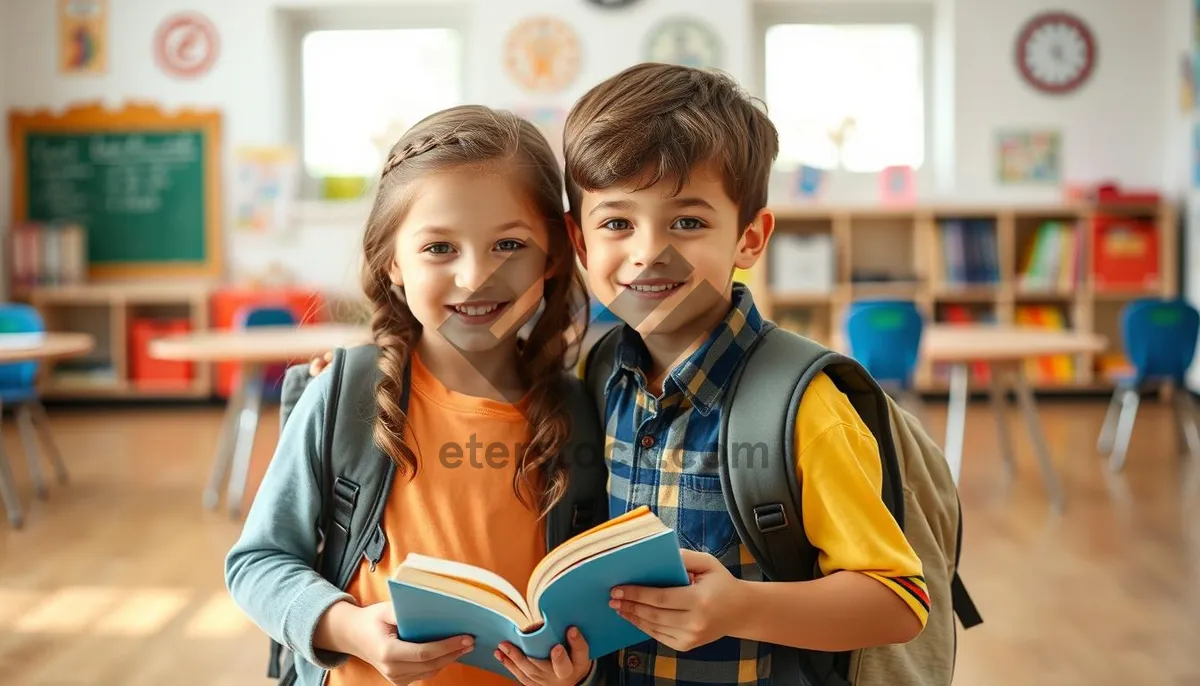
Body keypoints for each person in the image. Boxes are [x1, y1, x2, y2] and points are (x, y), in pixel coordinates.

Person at [558, 62, 928, 683]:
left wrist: (740, 608)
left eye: (688, 221)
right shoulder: (599, 373)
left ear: (750, 239)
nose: (650, 250)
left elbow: (898, 603)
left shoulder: (801, 405)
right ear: (580, 243)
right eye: (617, 222)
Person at [224, 105, 597, 686]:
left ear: (552, 256)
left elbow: (593, 606)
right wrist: (347, 628)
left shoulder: (582, 412)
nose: (475, 276)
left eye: (509, 245)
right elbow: (258, 562)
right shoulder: (343, 397)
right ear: (392, 261)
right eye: (440, 249)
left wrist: (577, 671)